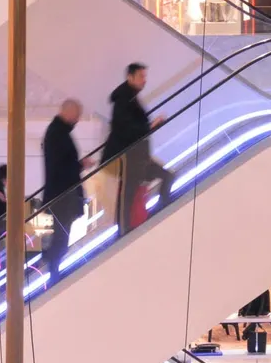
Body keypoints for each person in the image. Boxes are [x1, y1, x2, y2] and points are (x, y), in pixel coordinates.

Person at [102, 63, 174, 234]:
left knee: (166, 176)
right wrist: (149, 127)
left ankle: (158, 212)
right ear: (130, 77)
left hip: (138, 156)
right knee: (129, 191)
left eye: (145, 76)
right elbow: (124, 128)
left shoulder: (130, 98)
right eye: (141, 76)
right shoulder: (123, 100)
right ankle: (123, 230)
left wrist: (150, 127)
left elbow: (133, 128)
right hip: (126, 156)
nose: (145, 80)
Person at [40, 99, 90, 282]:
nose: (77, 120)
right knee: (61, 240)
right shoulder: (57, 134)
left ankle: (53, 270)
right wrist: (79, 165)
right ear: (68, 113)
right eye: (76, 116)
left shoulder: (57, 132)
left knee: (61, 239)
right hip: (61, 197)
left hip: (60, 196)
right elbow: (60, 167)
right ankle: (52, 272)